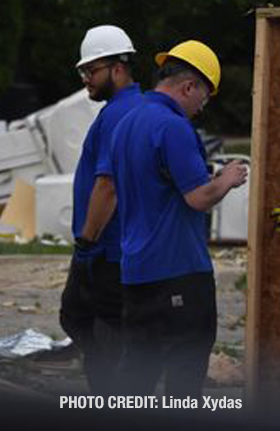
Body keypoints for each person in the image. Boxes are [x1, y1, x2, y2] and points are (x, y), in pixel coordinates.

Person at [109, 40, 248, 397]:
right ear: (188, 86)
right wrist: (227, 179)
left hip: (136, 271)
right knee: (183, 382)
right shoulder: (172, 126)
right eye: (204, 97)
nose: (201, 108)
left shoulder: (126, 122)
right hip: (179, 271)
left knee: (136, 376)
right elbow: (199, 198)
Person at [59, 25, 143, 395]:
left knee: (99, 328)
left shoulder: (117, 115)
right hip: (111, 247)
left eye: (91, 71)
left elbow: (107, 187)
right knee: (78, 317)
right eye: (83, 72)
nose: (86, 80)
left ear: (119, 67)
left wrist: (87, 242)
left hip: (105, 250)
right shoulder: (131, 108)